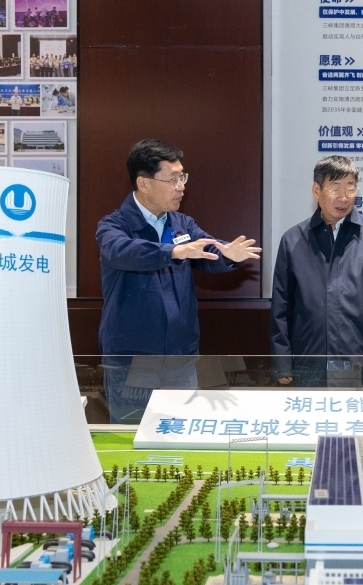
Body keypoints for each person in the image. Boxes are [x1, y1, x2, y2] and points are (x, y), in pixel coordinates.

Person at [97, 139, 261, 420]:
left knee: (181, 433)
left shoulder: (182, 224)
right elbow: (122, 251)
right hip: (132, 361)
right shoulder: (114, 225)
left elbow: (207, 249)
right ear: (144, 183)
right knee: (132, 436)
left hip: (181, 357)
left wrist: (228, 255)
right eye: (172, 179)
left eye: (182, 177)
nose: (181, 186)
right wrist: (172, 251)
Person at [270, 155, 363, 385]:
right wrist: (282, 363)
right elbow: (281, 306)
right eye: (335, 188)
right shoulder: (293, 240)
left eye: (350, 188)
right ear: (316, 190)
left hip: (362, 359)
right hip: (310, 359)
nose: (344, 197)